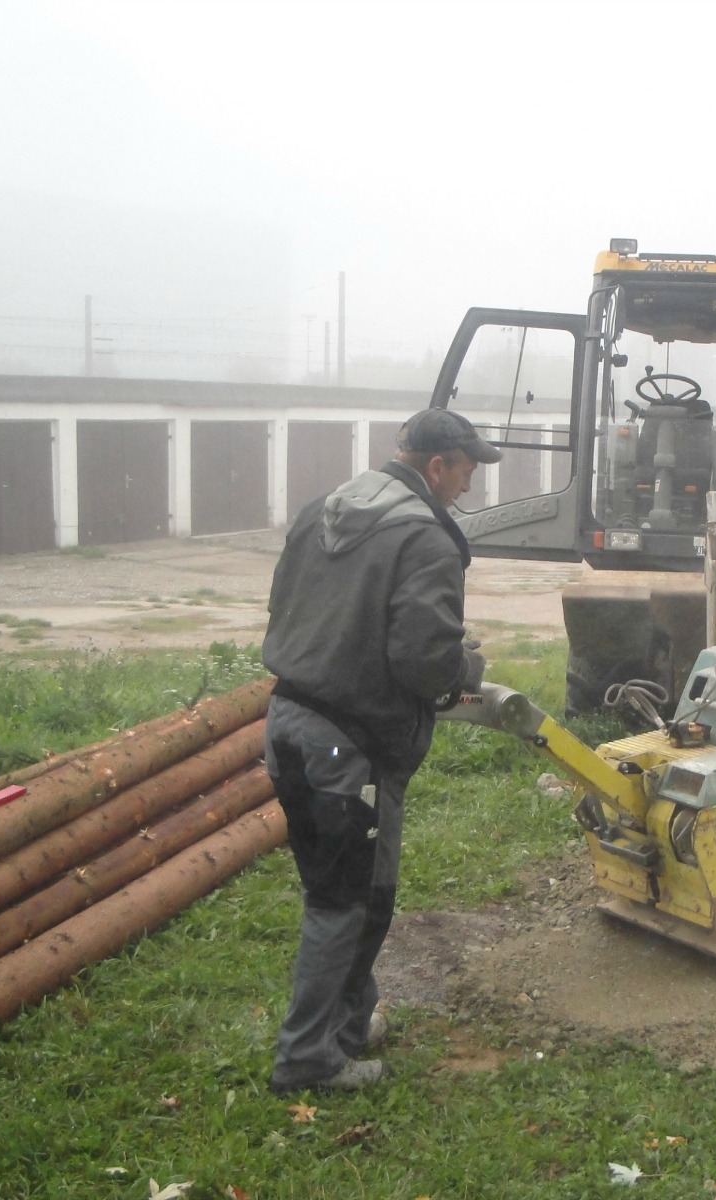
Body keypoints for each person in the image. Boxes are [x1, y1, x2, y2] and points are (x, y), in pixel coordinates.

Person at [260, 408, 499, 1093]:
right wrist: (463, 671)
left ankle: (349, 1023)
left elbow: (286, 606)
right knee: (347, 902)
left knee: (344, 890)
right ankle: (307, 1060)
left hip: (286, 724)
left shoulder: (324, 509)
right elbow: (422, 658)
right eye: (467, 468)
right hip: (347, 748)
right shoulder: (425, 540)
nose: (470, 482)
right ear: (436, 466)